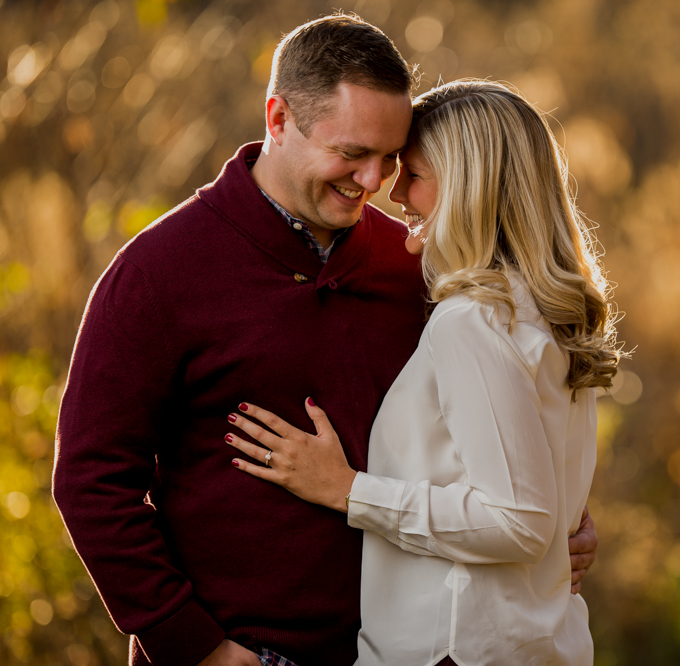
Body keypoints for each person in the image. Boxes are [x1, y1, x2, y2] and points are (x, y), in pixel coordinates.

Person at [52, 15, 597, 666]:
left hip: (393, 652)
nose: (374, 184)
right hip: (240, 652)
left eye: (391, 158)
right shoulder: (157, 273)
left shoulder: (420, 269)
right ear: (279, 119)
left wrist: (559, 516)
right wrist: (195, 646)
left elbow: (498, 428)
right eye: (351, 153)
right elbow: (91, 481)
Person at [224, 80, 620, 666]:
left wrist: (347, 490)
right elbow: (540, 509)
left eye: (413, 174)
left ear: (469, 186)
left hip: (455, 650)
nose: (396, 194)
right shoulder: (546, 312)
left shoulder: (475, 321)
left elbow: (519, 523)